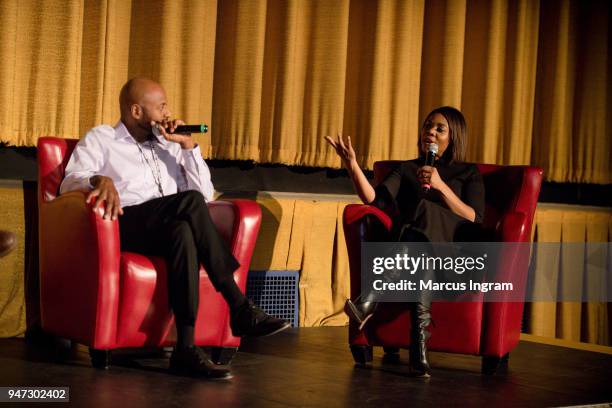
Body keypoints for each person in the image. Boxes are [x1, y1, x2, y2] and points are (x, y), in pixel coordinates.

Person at [60, 77, 290, 380]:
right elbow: (68, 181)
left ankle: (185, 348)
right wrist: (98, 179)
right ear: (136, 111)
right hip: (124, 225)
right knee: (188, 207)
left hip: (165, 225)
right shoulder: (103, 139)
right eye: (161, 107)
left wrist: (188, 146)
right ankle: (238, 305)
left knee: (183, 230)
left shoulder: (170, 147)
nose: (167, 114)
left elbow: (205, 197)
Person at [325, 106, 485, 377]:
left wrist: (441, 187)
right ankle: (418, 353)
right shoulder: (407, 169)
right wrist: (352, 166)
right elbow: (374, 200)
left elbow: (474, 218)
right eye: (427, 126)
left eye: (439, 129)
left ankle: (370, 300)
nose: (430, 132)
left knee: (425, 210)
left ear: (453, 136)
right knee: (420, 256)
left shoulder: (468, 173)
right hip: (414, 264)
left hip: (454, 261)